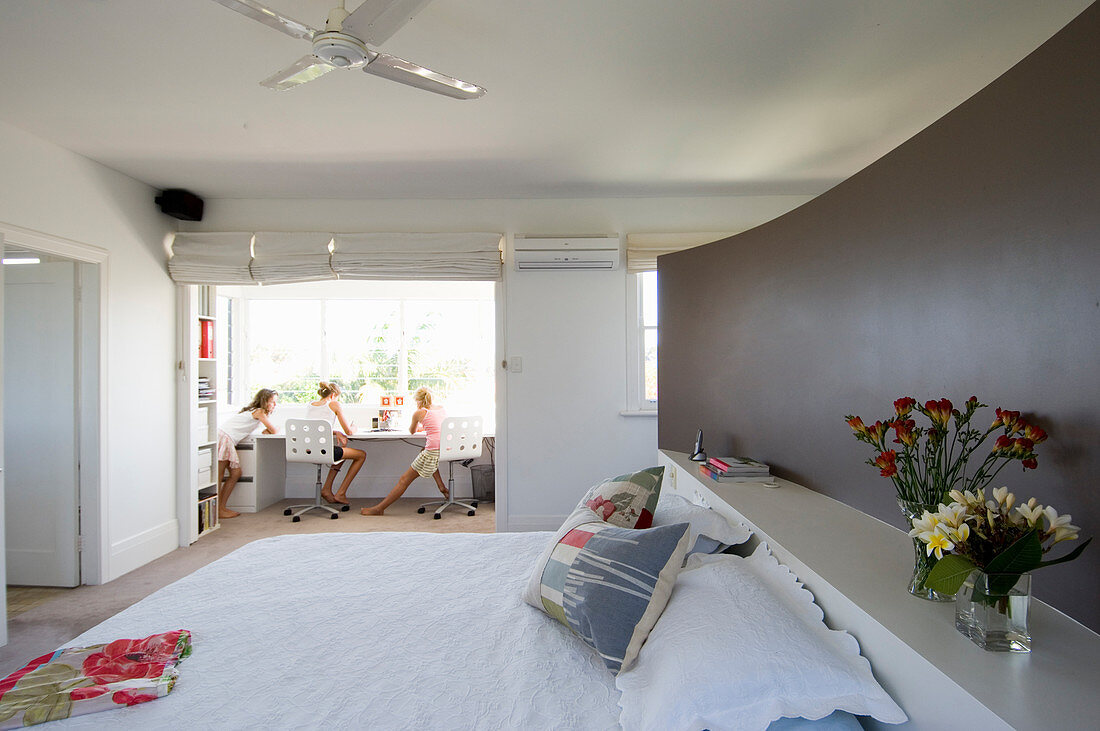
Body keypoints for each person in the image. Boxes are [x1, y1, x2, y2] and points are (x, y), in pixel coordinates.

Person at [362, 386, 449, 516]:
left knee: (404, 479)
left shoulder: (419, 413)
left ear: (418, 401)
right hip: (447, 448)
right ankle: (441, 486)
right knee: (423, 451)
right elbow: (437, 427)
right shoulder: (441, 408)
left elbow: (412, 430)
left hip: (434, 451)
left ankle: (379, 509)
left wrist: (420, 425)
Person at [216, 388, 278, 519]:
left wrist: (269, 430)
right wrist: (270, 430)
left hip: (225, 437)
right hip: (225, 438)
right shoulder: (260, 412)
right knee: (221, 475)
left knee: (234, 473)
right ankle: (218, 510)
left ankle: (220, 508)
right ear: (265, 401)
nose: (274, 405)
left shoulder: (253, 411)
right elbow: (273, 430)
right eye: (273, 402)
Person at [306, 381, 367, 505]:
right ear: (334, 395)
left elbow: (316, 428)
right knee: (361, 455)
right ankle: (341, 493)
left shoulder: (311, 404)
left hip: (306, 449)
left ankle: (327, 490)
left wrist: (336, 432)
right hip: (323, 450)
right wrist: (354, 427)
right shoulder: (333, 404)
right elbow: (349, 431)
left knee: (343, 452)